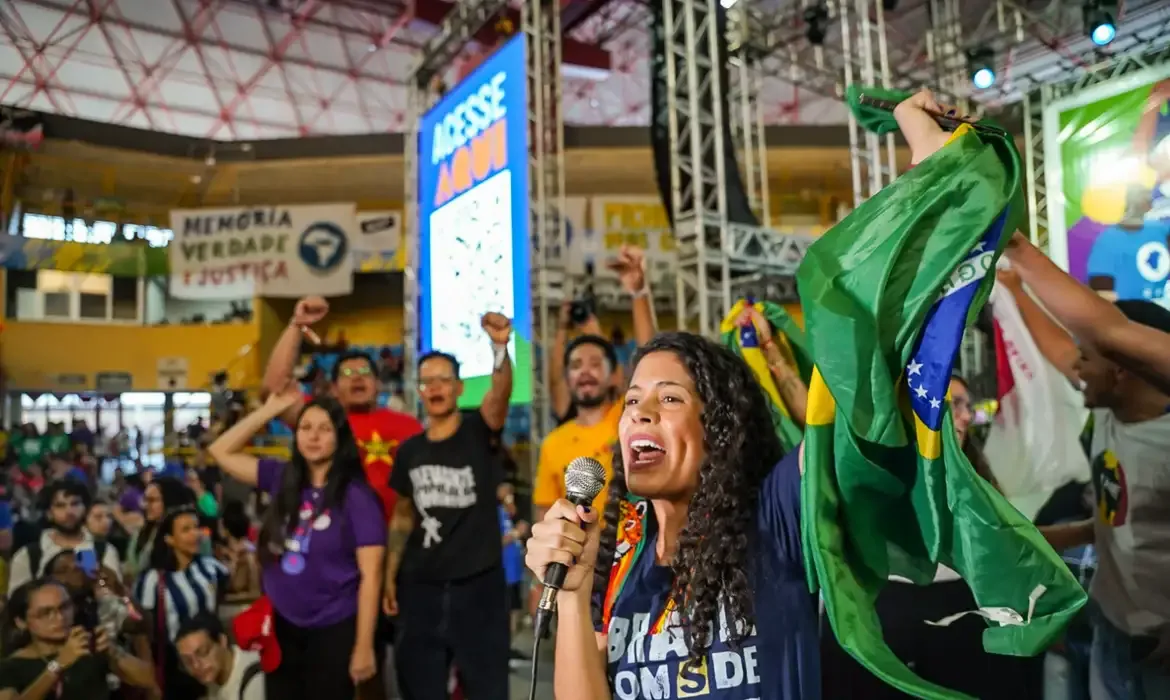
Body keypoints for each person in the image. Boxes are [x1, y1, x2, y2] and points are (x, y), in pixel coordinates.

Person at [525, 332, 819, 699]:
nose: (638, 412)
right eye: (632, 399)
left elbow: (836, 437)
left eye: (669, 398)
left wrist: (778, 362)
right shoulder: (619, 562)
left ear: (720, 427)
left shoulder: (774, 515)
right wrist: (573, 594)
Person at [997, 267, 1170, 699]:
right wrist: (1017, 288)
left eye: (1087, 357)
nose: (1074, 366)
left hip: (1160, 651)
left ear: (1121, 371)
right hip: (1110, 629)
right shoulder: (1111, 409)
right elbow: (1057, 348)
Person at [208, 392, 386, 700]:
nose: (313, 437)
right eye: (305, 427)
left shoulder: (358, 497)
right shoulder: (282, 477)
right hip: (282, 627)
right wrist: (269, 409)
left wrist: (364, 646)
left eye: (324, 429)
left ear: (339, 437)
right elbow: (220, 450)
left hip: (334, 628)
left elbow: (372, 576)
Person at [384, 312, 516, 700]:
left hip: (478, 586)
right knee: (420, 688)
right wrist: (391, 575)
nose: (435, 387)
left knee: (487, 688)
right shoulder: (409, 451)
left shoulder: (479, 429)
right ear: (419, 390)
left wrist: (499, 349)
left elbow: (501, 392)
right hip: (421, 586)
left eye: (444, 379)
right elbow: (403, 514)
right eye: (427, 381)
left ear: (459, 387)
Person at [261, 296, 424, 522]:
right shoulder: (319, 419)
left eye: (365, 372)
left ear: (378, 385)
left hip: (396, 539)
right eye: (347, 374)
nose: (357, 377)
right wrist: (297, 325)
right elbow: (273, 391)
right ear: (334, 389)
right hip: (332, 538)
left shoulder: (408, 426)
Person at [0, 578, 157, 700]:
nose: (60, 618)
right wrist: (58, 665)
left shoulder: (88, 646)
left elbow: (148, 679)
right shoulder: (11, 667)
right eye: (45, 613)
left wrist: (113, 650)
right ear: (21, 622)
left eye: (64, 607)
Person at [133, 506, 229, 700]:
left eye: (196, 527)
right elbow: (141, 632)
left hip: (211, 659)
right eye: (186, 530)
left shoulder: (210, 567)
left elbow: (226, 594)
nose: (195, 534)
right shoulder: (153, 579)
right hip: (176, 668)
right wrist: (149, 677)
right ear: (169, 539)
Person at [8, 480, 122, 592]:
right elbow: (17, 604)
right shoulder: (29, 556)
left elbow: (116, 600)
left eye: (75, 503)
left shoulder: (104, 551)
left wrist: (100, 581)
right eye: (60, 505)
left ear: (85, 509)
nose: (69, 511)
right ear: (49, 513)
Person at [175, 613, 265, 700]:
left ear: (222, 641)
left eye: (203, 652)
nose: (196, 666)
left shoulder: (255, 679)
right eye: (187, 661)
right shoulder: (212, 674)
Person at [124, 477, 195, 582]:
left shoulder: (187, 536)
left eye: (152, 500)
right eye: (145, 499)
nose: (146, 505)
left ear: (169, 500)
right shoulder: (140, 533)